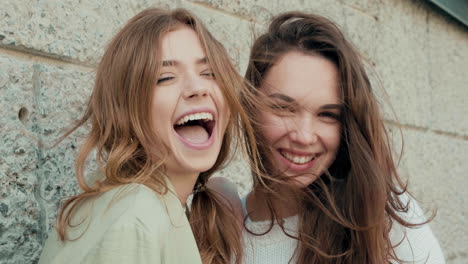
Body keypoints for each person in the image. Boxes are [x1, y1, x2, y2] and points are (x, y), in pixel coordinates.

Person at [39, 7, 260, 264]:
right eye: (165, 77)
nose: (197, 88)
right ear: (126, 107)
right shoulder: (136, 218)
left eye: (209, 73)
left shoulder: (140, 204)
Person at [239, 11, 446, 263]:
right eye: (284, 108)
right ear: (249, 106)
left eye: (327, 114)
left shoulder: (384, 218)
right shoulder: (221, 229)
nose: (304, 136)